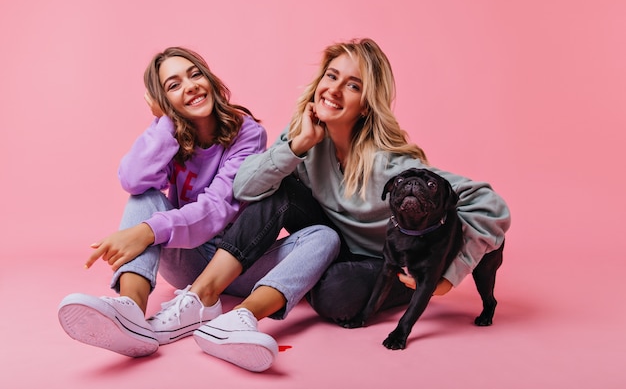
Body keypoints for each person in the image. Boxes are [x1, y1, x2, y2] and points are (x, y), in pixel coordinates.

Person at [151, 37, 510, 373]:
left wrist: (450, 275)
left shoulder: (389, 165)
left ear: (367, 103)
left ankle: (243, 313)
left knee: (331, 295)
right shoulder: (305, 139)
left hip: (385, 262)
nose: (335, 90)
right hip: (328, 242)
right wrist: (295, 148)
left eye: (352, 85)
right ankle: (201, 298)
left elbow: (490, 204)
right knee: (279, 187)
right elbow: (246, 189)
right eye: (332, 76)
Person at [57, 46, 268, 358]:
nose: (191, 85)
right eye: (174, 85)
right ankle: (131, 313)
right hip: (189, 260)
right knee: (145, 195)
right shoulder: (171, 134)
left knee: (321, 236)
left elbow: (217, 209)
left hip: (236, 263)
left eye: (195, 74)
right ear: (163, 102)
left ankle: (197, 305)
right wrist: (166, 122)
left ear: (209, 79)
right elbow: (133, 179)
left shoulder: (247, 132)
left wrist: (146, 231)